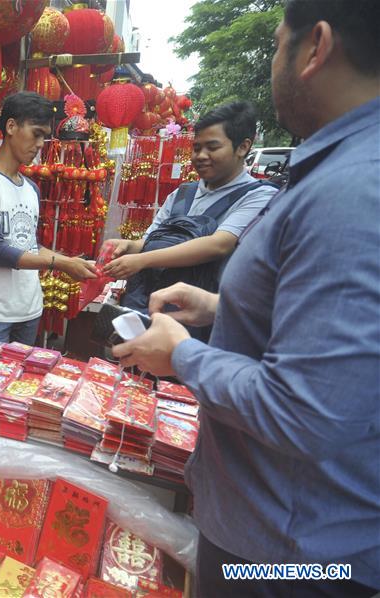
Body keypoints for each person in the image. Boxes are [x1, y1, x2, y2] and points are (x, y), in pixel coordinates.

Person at [113, 0, 380, 595]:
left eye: (278, 45)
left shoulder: (352, 190)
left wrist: (183, 356)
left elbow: (308, 410)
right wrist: (219, 309)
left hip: (292, 555)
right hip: (285, 526)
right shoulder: (341, 173)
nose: (273, 66)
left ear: (317, 47)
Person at [103, 102, 277, 317]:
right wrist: (129, 246)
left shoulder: (259, 196)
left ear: (243, 147)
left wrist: (141, 260)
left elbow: (219, 244)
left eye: (212, 148)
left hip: (203, 318)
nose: (201, 155)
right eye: (196, 148)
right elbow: (149, 240)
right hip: (151, 305)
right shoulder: (182, 193)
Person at [0, 91, 97, 344]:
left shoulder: (31, 188)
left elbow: (30, 246)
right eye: (36, 133)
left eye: (44, 137)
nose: (39, 144)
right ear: (11, 126)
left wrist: (71, 261)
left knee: (21, 383)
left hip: (30, 309)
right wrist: (62, 264)